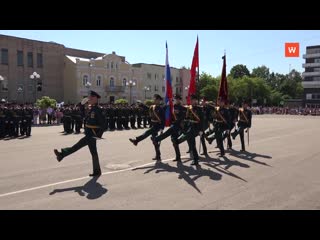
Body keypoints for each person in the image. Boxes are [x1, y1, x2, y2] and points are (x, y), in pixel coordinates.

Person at [53, 91, 105, 177]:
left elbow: (103, 124)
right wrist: (81, 103)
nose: (89, 99)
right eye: (89, 98)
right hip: (89, 134)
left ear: (96, 98)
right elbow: (82, 113)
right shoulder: (91, 108)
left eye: (91, 98)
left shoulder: (98, 110)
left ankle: (62, 154)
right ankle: (97, 171)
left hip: (91, 135)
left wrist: (98, 135)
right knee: (93, 153)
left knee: (77, 146)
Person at [129, 94, 165, 161]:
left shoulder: (161, 109)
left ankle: (136, 140)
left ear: (159, 100)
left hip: (157, 126)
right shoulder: (153, 107)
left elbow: (163, 119)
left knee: (147, 132)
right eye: (154, 99)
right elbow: (147, 108)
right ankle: (158, 156)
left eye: (156, 99)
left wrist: (162, 128)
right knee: (155, 141)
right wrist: (141, 104)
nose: (154, 100)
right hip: (153, 125)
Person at [153, 94, 187, 162]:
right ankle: (178, 157)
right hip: (174, 124)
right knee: (174, 141)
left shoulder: (182, 108)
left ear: (180, 100)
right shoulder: (173, 106)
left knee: (167, 133)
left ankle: (156, 139)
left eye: (177, 99)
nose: (176, 100)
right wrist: (167, 105)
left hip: (178, 126)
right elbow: (166, 112)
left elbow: (182, 117)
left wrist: (177, 121)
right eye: (175, 99)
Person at [175, 94, 202, 166]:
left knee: (191, 142)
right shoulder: (189, 108)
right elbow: (187, 118)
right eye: (191, 100)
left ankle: (178, 141)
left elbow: (201, 120)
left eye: (193, 100)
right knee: (191, 144)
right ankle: (196, 159)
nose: (192, 101)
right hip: (189, 126)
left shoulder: (199, 109)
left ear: (196, 100)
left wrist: (201, 130)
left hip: (195, 127)